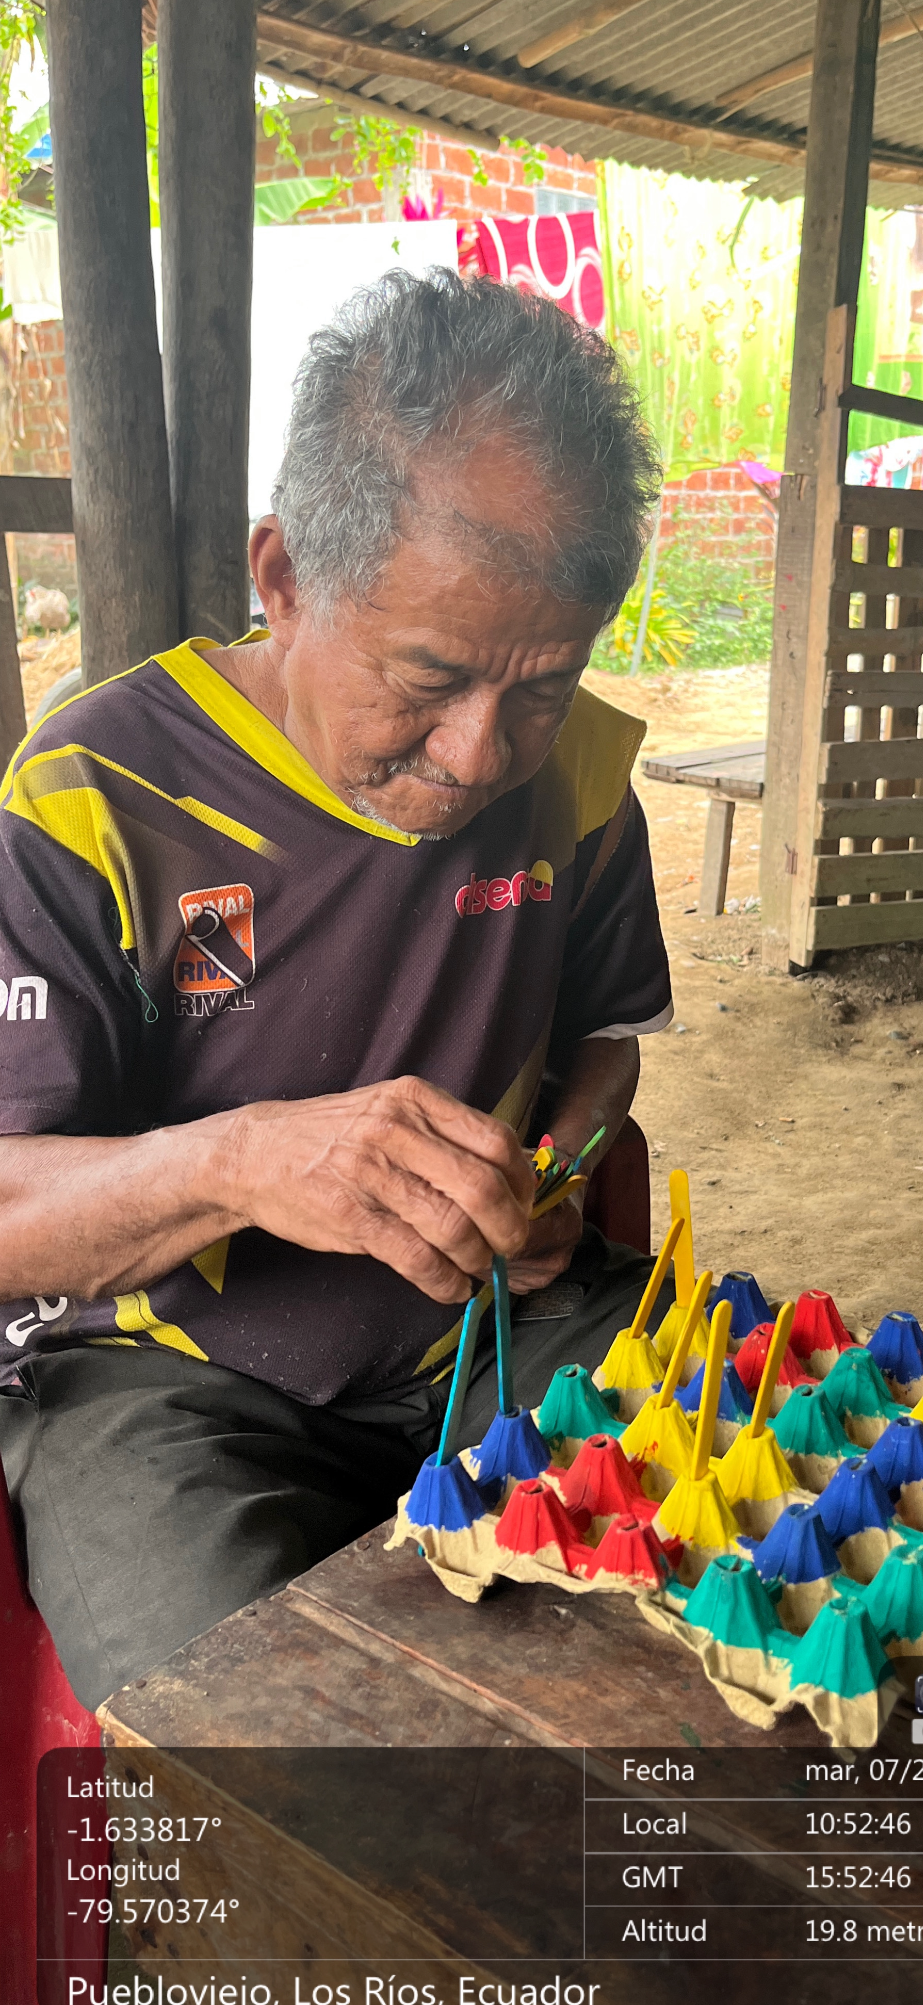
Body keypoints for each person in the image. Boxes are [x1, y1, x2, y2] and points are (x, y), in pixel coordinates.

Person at [0, 268, 673, 1709]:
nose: (480, 753)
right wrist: (239, 1161)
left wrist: (557, 1171)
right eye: (427, 677)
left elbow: (603, 1045)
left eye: (541, 684)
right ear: (286, 578)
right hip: (169, 1383)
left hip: (506, 1330)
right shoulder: (92, 797)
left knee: (791, 1534)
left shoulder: (578, 777)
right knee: (257, 1746)